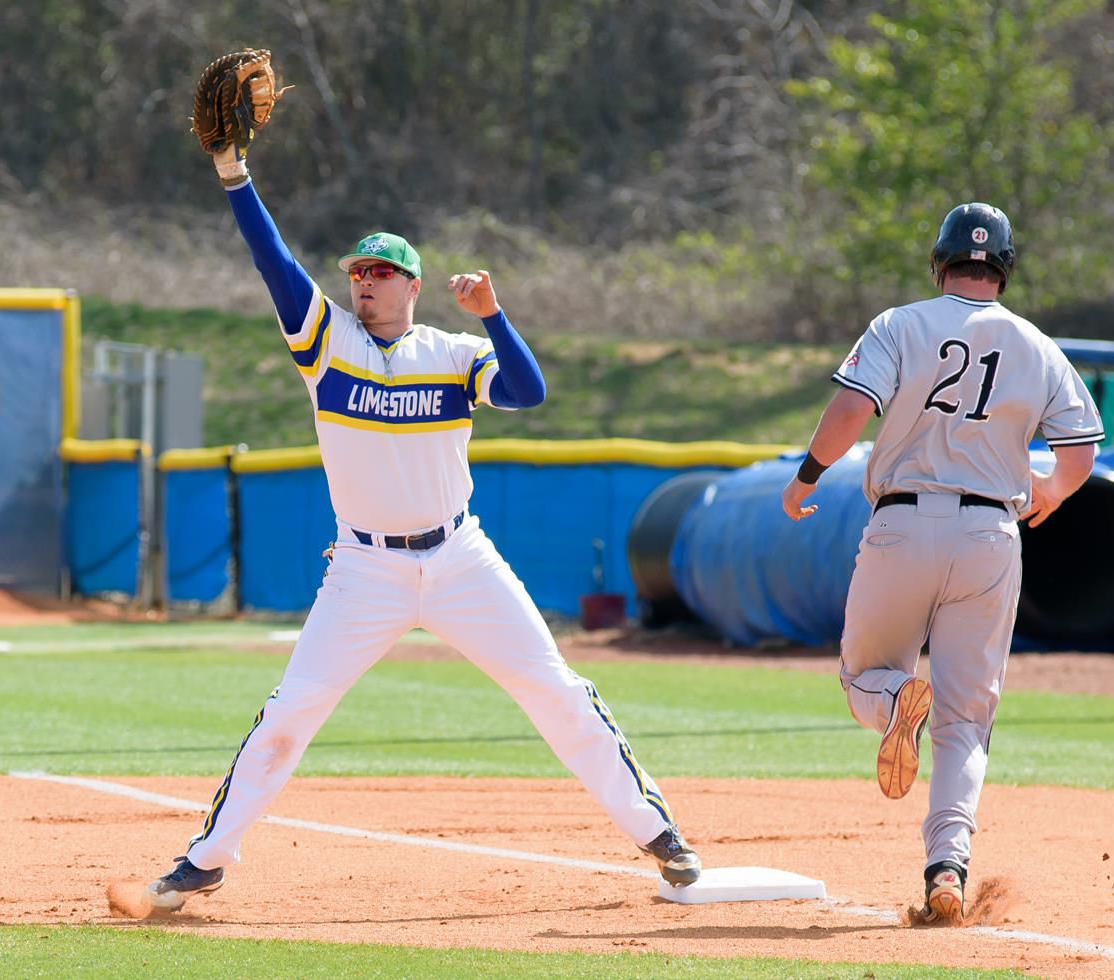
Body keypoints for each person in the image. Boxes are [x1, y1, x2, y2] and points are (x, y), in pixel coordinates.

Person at [144, 77, 701, 912]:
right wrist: (233, 173)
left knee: (554, 688)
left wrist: (496, 315)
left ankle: (660, 834)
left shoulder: (451, 351)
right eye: (357, 273)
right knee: (292, 710)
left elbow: (527, 392)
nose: (362, 283)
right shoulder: (326, 342)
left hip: (458, 556)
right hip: (364, 569)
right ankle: (207, 857)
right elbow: (274, 263)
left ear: (411, 285)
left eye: (379, 273)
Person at [779, 203, 1102, 924]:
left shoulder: (901, 324)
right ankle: (946, 868)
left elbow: (848, 415)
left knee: (864, 676)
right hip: (991, 533)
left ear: (940, 262)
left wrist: (805, 477)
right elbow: (1080, 448)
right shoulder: (1036, 344)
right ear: (1005, 270)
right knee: (967, 719)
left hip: (903, 522)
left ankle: (897, 701)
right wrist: (1048, 489)